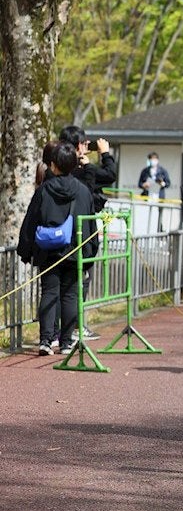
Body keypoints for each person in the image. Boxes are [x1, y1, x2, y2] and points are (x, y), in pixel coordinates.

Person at [17, 143, 98, 355]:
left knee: (50, 292)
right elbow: (91, 225)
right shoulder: (83, 191)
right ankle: (66, 341)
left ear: (53, 165)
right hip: (75, 249)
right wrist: (90, 253)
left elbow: (31, 220)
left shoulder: (44, 190)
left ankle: (45, 340)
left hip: (49, 251)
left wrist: (26, 250)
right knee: (70, 295)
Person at [62, 125, 116, 342]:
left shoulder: (55, 168)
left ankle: (57, 332)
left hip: (60, 230)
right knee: (80, 280)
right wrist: (105, 154)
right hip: (83, 232)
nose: (87, 146)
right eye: (85, 143)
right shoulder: (85, 170)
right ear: (78, 146)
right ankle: (74, 327)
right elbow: (110, 174)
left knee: (60, 284)